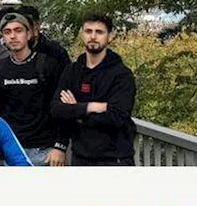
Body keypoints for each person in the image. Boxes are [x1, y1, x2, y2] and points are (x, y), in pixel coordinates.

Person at [52, 14, 137, 166]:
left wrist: (76, 111)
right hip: (80, 156)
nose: (93, 36)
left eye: (99, 32)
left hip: (115, 159)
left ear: (109, 37)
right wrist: (91, 107)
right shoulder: (72, 71)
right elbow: (57, 109)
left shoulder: (122, 75)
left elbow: (116, 117)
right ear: (82, 35)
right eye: (88, 31)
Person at [0, 13, 68, 167]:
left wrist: (60, 146)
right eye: (7, 32)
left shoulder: (48, 65)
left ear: (29, 34)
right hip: (11, 149)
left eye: (18, 30)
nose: (13, 36)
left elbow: (62, 108)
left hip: (45, 150)